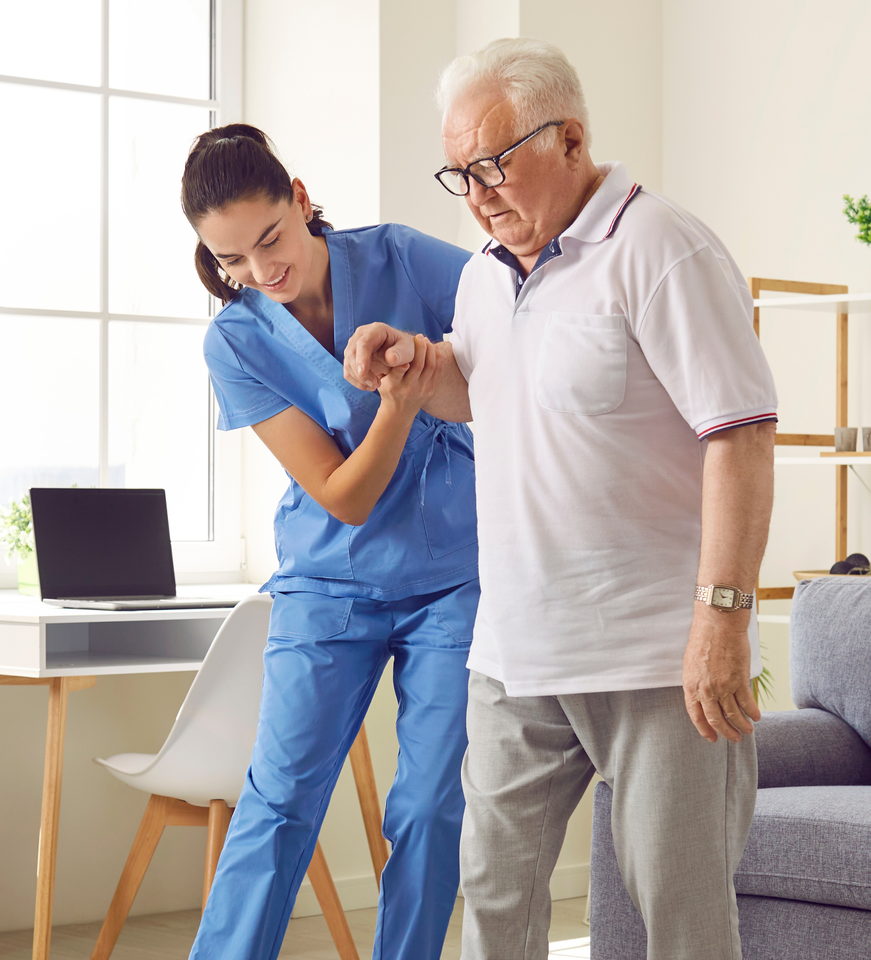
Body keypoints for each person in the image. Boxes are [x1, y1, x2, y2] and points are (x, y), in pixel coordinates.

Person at [344, 39, 778, 960]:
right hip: (516, 656)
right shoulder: (481, 275)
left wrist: (723, 622)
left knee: (681, 917)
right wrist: (422, 368)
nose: (477, 193)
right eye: (459, 173)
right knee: (495, 903)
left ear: (571, 139)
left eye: (495, 164)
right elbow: (487, 386)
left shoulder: (662, 247)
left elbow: (739, 435)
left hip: (658, 658)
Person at [182, 123, 479, 960]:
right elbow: (343, 498)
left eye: (270, 238)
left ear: (302, 201)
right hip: (329, 583)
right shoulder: (236, 340)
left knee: (427, 806)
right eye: (233, 259)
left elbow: (520, 328)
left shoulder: (404, 258)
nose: (260, 271)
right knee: (278, 803)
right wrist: (401, 402)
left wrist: (431, 358)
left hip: (455, 576)